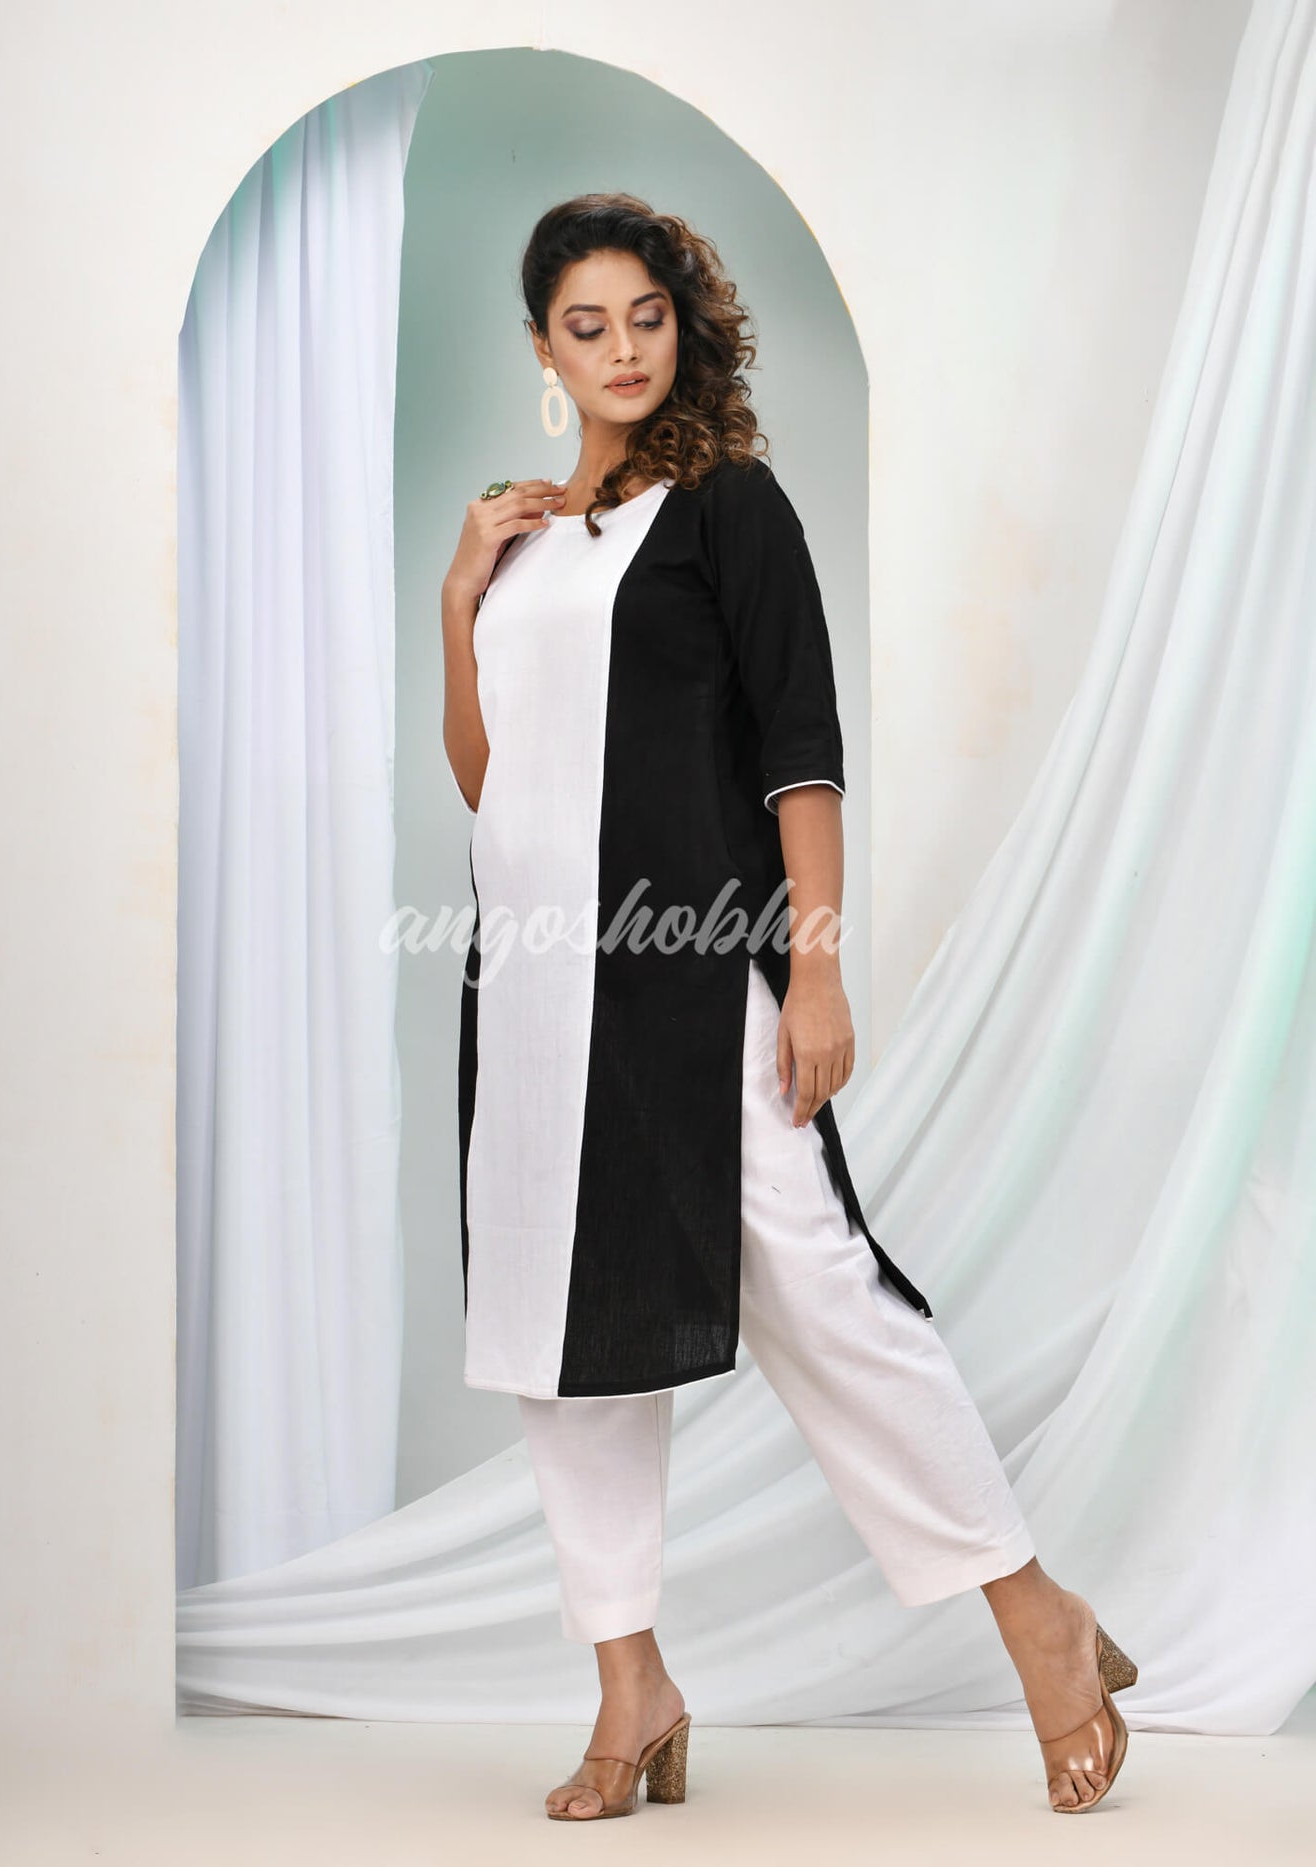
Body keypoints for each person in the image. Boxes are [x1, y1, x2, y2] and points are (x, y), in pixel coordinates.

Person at [441, 193, 1137, 1821]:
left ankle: (1036, 1615)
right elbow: (489, 780)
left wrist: (814, 964)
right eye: (586, 326)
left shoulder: (731, 506)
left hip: (698, 972)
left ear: (681, 324)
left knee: (820, 1288)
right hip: (533, 985)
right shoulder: (521, 537)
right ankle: (632, 1689)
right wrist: (457, 596)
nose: (621, 350)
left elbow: (799, 751)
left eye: (645, 317)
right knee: (564, 1335)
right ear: (541, 348)